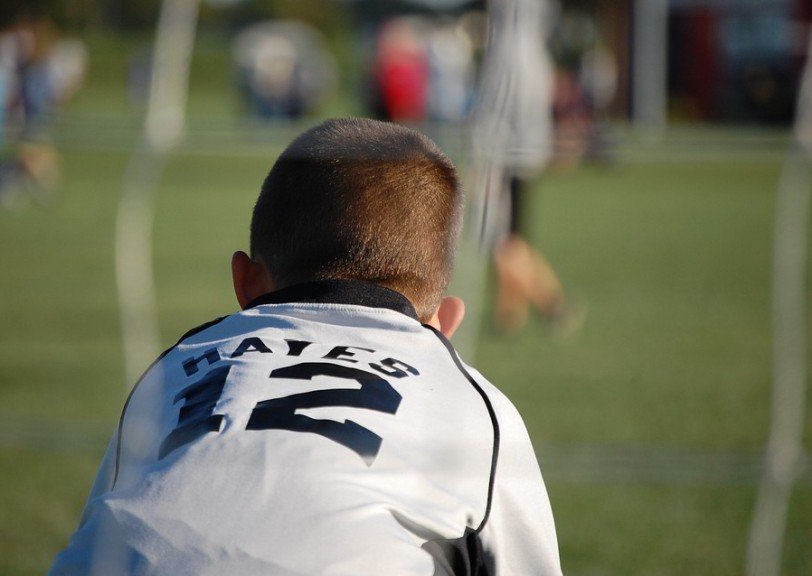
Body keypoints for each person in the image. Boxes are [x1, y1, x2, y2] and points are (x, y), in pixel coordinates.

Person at [48, 118, 562, 576]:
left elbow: (104, 529)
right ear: (442, 325)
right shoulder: (472, 402)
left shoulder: (174, 366)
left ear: (245, 282)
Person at [469, 0, 579, 335]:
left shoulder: (510, 57)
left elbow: (496, 117)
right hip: (519, 150)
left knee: (499, 238)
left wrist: (482, 157)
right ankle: (510, 313)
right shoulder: (532, 54)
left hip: (505, 154)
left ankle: (551, 305)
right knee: (508, 235)